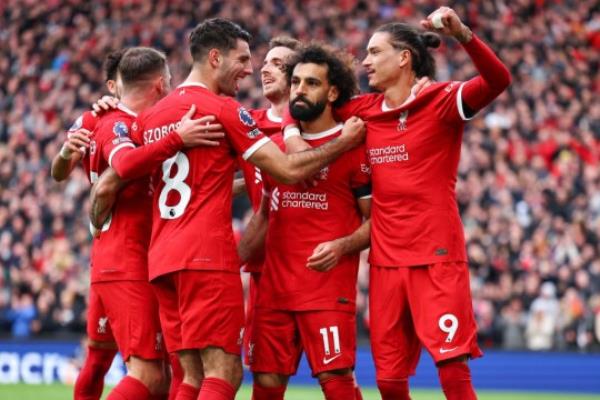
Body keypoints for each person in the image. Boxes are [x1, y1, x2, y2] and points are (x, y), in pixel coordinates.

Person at [96, 18, 364, 400]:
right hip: (206, 257)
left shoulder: (151, 116)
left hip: (162, 260)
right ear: (216, 57)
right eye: (242, 59)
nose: (250, 69)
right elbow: (288, 170)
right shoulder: (223, 109)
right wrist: (344, 140)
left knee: (188, 376)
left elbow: (112, 181)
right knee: (224, 372)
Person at [284, 6, 511, 400]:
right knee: (389, 381)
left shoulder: (441, 101)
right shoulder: (365, 111)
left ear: (404, 58)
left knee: (451, 367)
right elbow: (305, 108)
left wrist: (463, 35)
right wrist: (289, 131)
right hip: (386, 262)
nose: (366, 62)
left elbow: (498, 80)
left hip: (435, 255)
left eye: (374, 52)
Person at [86, 46, 224, 400]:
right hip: (125, 260)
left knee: (163, 373)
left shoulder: (141, 126)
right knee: (147, 374)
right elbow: (121, 169)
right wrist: (178, 137)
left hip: (141, 259)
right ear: (161, 85)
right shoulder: (118, 122)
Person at [239, 43, 371, 400]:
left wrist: (342, 246)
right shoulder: (274, 149)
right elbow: (264, 210)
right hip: (274, 289)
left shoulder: (355, 143)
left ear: (332, 91)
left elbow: (376, 221)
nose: (299, 89)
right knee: (265, 383)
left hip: (326, 289)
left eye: (311, 83)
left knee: (336, 377)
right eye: (295, 81)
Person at [50, 49, 124, 400]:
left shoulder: (154, 116)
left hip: (139, 249)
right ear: (113, 85)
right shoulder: (92, 120)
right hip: (115, 250)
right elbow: (59, 172)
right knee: (99, 359)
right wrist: (66, 152)